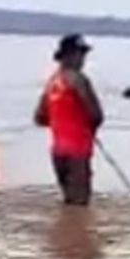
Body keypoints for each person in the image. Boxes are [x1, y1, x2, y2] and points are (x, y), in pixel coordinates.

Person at [35, 34, 104, 206]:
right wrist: (84, 127)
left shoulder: (52, 82)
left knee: (69, 202)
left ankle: (66, 232)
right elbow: (96, 115)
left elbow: (39, 118)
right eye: (80, 54)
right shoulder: (79, 80)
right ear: (69, 55)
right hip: (78, 151)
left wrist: (62, 122)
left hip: (58, 151)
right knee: (80, 204)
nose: (82, 59)